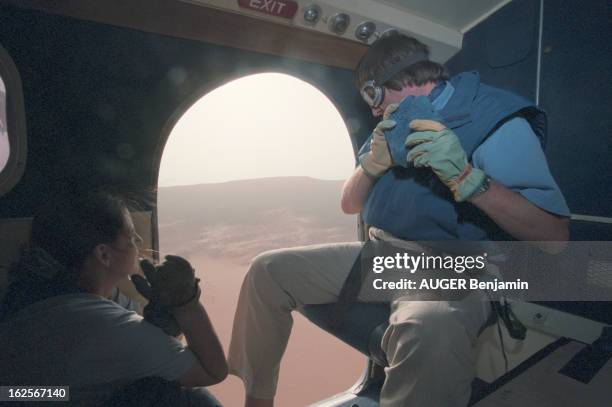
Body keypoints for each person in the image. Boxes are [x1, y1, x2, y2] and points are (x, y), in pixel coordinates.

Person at [227, 33, 570, 407]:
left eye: (373, 96)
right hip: (382, 256)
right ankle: (256, 398)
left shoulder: (495, 121)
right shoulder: (392, 125)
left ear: (405, 78)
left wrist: (468, 179)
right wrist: (372, 166)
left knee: (431, 327)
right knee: (269, 271)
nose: (373, 111)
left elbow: (553, 237)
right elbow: (348, 203)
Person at [0, 191, 228, 406]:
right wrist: (186, 305)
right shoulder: (104, 326)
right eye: (130, 235)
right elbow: (212, 371)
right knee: (184, 397)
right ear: (104, 254)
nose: (138, 240)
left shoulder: (33, 296)